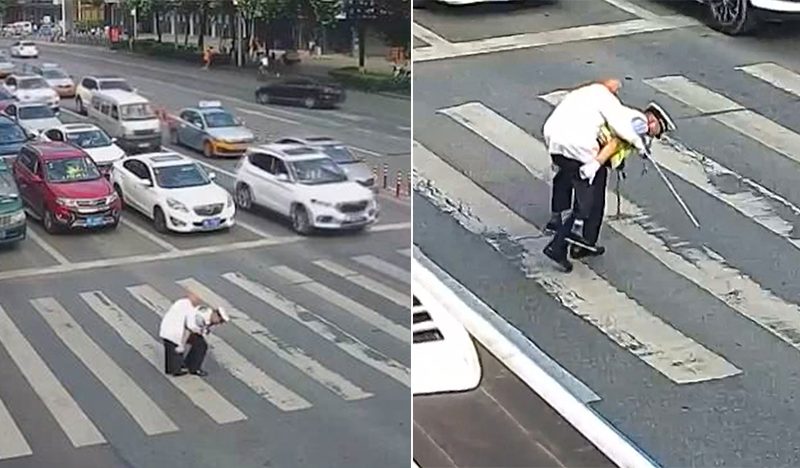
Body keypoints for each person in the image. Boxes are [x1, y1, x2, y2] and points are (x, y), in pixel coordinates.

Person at [543, 102, 676, 272]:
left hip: (585, 152)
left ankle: (576, 240)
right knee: (588, 205)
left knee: (586, 201)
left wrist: (619, 160)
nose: (656, 135)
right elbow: (617, 139)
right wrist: (640, 148)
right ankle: (562, 246)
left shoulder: (632, 118)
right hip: (592, 157)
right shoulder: (639, 123)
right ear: (653, 121)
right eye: (658, 130)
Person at [159, 291, 229, 377]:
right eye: (220, 320)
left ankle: (190, 366)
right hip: (180, 328)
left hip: (184, 327)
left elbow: (203, 330)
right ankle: (179, 368)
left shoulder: (209, 317)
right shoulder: (200, 318)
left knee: (200, 345)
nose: (220, 323)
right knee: (176, 345)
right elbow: (189, 329)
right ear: (216, 315)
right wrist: (182, 344)